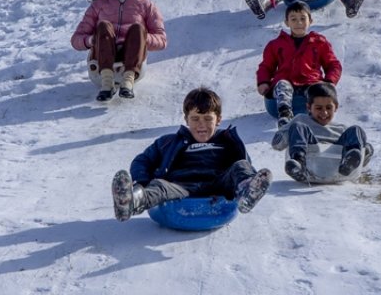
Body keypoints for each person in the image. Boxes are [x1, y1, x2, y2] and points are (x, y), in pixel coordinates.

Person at [111, 87, 273, 221]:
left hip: (219, 186)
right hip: (180, 186)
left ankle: (247, 193)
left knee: (241, 166)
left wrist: (245, 177)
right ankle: (131, 202)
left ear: (218, 120)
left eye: (207, 119)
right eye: (195, 119)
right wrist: (143, 181)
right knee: (159, 186)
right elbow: (143, 160)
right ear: (186, 120)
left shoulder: (228, 141)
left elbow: (244, 164)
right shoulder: (169, 141)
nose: (201, 125)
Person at [71, 0, 167, 101]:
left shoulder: (146, 5)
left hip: (134, 66)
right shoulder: (99, 5)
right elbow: (76, 39)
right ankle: (107, 84)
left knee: (137, 28)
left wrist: (143, 38)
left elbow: (162, 40)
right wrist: (92, 40)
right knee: (103, 26)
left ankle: (127, 83)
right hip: (101, 65)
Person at [256, 1, 342, 137]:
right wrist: (263, 82)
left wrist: (329, 81)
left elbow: (333, 64)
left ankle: (316, 117)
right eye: (293, 19)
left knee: (316, 90)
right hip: (285, 83)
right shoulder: (276, 44)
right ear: (287, 22)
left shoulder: (319, 42)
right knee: (282, 85)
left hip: (310, 81)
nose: (299, 23)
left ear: (310, 20)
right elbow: (266, 66)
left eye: (303, 19)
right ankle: (285, 115)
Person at [277, 83, 374, 182]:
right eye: (319, 108)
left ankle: (348, 164)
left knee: (356, 130)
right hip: (310, 166)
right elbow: (277, 145)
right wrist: (287, 132)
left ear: (335, 107)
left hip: (337, 170)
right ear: (309, 107)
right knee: (298, 126)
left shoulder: (342, 129)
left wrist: (366, 150)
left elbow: (363, 158)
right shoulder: (302, 120)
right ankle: (298, 164)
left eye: (328, 108)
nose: (324, 113)